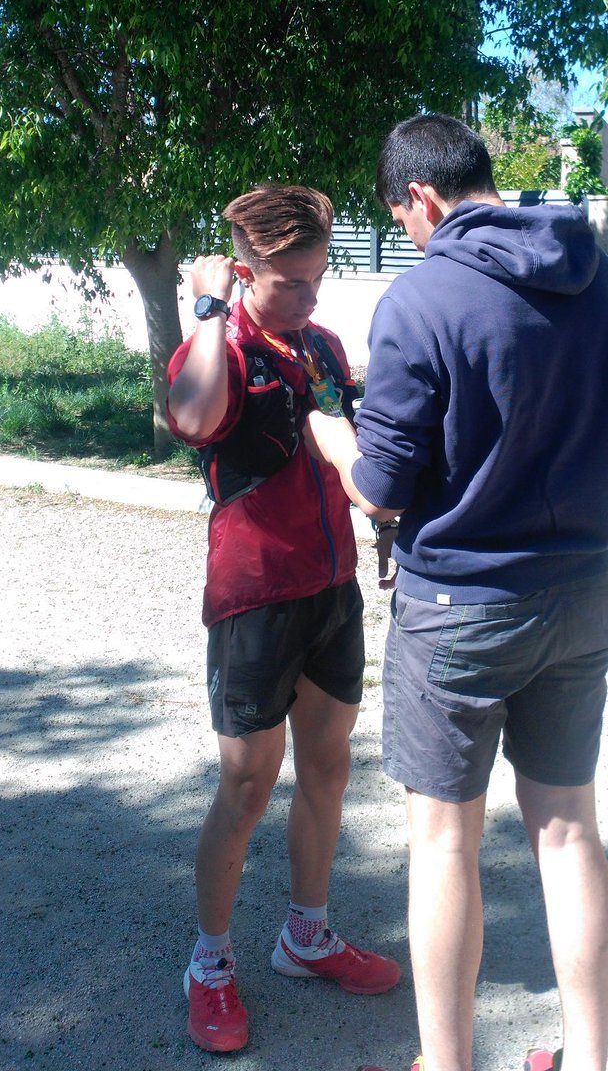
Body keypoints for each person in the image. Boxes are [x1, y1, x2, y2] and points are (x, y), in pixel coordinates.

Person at [305, 115, 608, 1071]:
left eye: (399, 218)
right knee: (569, 827)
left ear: (417, 199)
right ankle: (587, 1064)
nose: (408, 234)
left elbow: (379, 485)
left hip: (460, 605)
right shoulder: (594, 268)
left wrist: (333, 434)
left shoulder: (423, 299)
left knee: (445, 845)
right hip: (581, 590)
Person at [166, 184, 400, 1055]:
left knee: (329, 769)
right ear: (242, 271)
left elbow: (352, 445)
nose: (308, 300)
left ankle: (306, 935)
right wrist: (205, 309)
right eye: (289, 284)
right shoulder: (217, 343)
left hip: (330, 589)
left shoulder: (324, 346)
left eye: (316, 279)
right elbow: (191, 418)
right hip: (254, 595)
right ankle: (210, 963)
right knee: (246, 787)